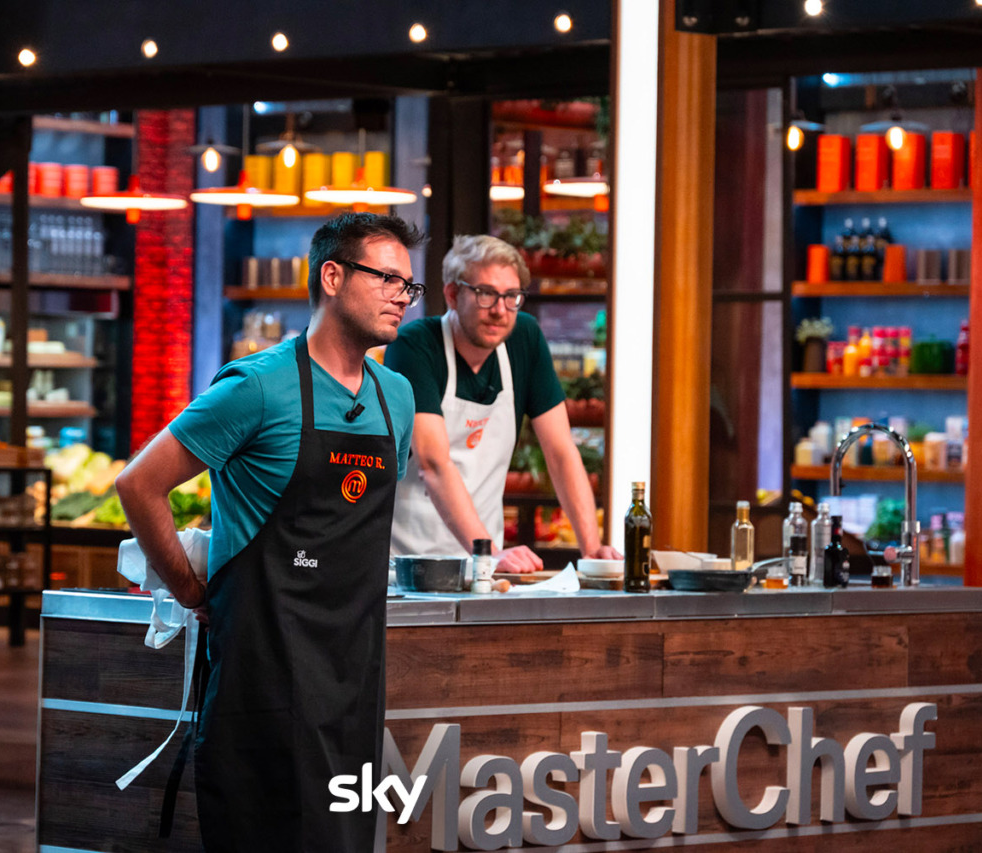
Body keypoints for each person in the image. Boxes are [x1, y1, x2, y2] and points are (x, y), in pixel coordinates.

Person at [116, 212, 421, 853]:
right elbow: (139, 485)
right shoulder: (255, 386)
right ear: (332, 276)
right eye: (387, 279)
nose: (401, 296)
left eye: (408, 286)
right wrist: (190, 590)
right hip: (261, 676)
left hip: (354, 676)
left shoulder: (395, 397)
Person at [385, 234, 619, 573]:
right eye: (485, 294)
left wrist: (592, 550)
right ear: (452, 294)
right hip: (410, 564)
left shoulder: (524, 338)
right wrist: (491, 554)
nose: (499, 310)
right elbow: (433, 464)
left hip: (484, 563)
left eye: (511, 297)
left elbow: (561, 452)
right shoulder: (415, 345)